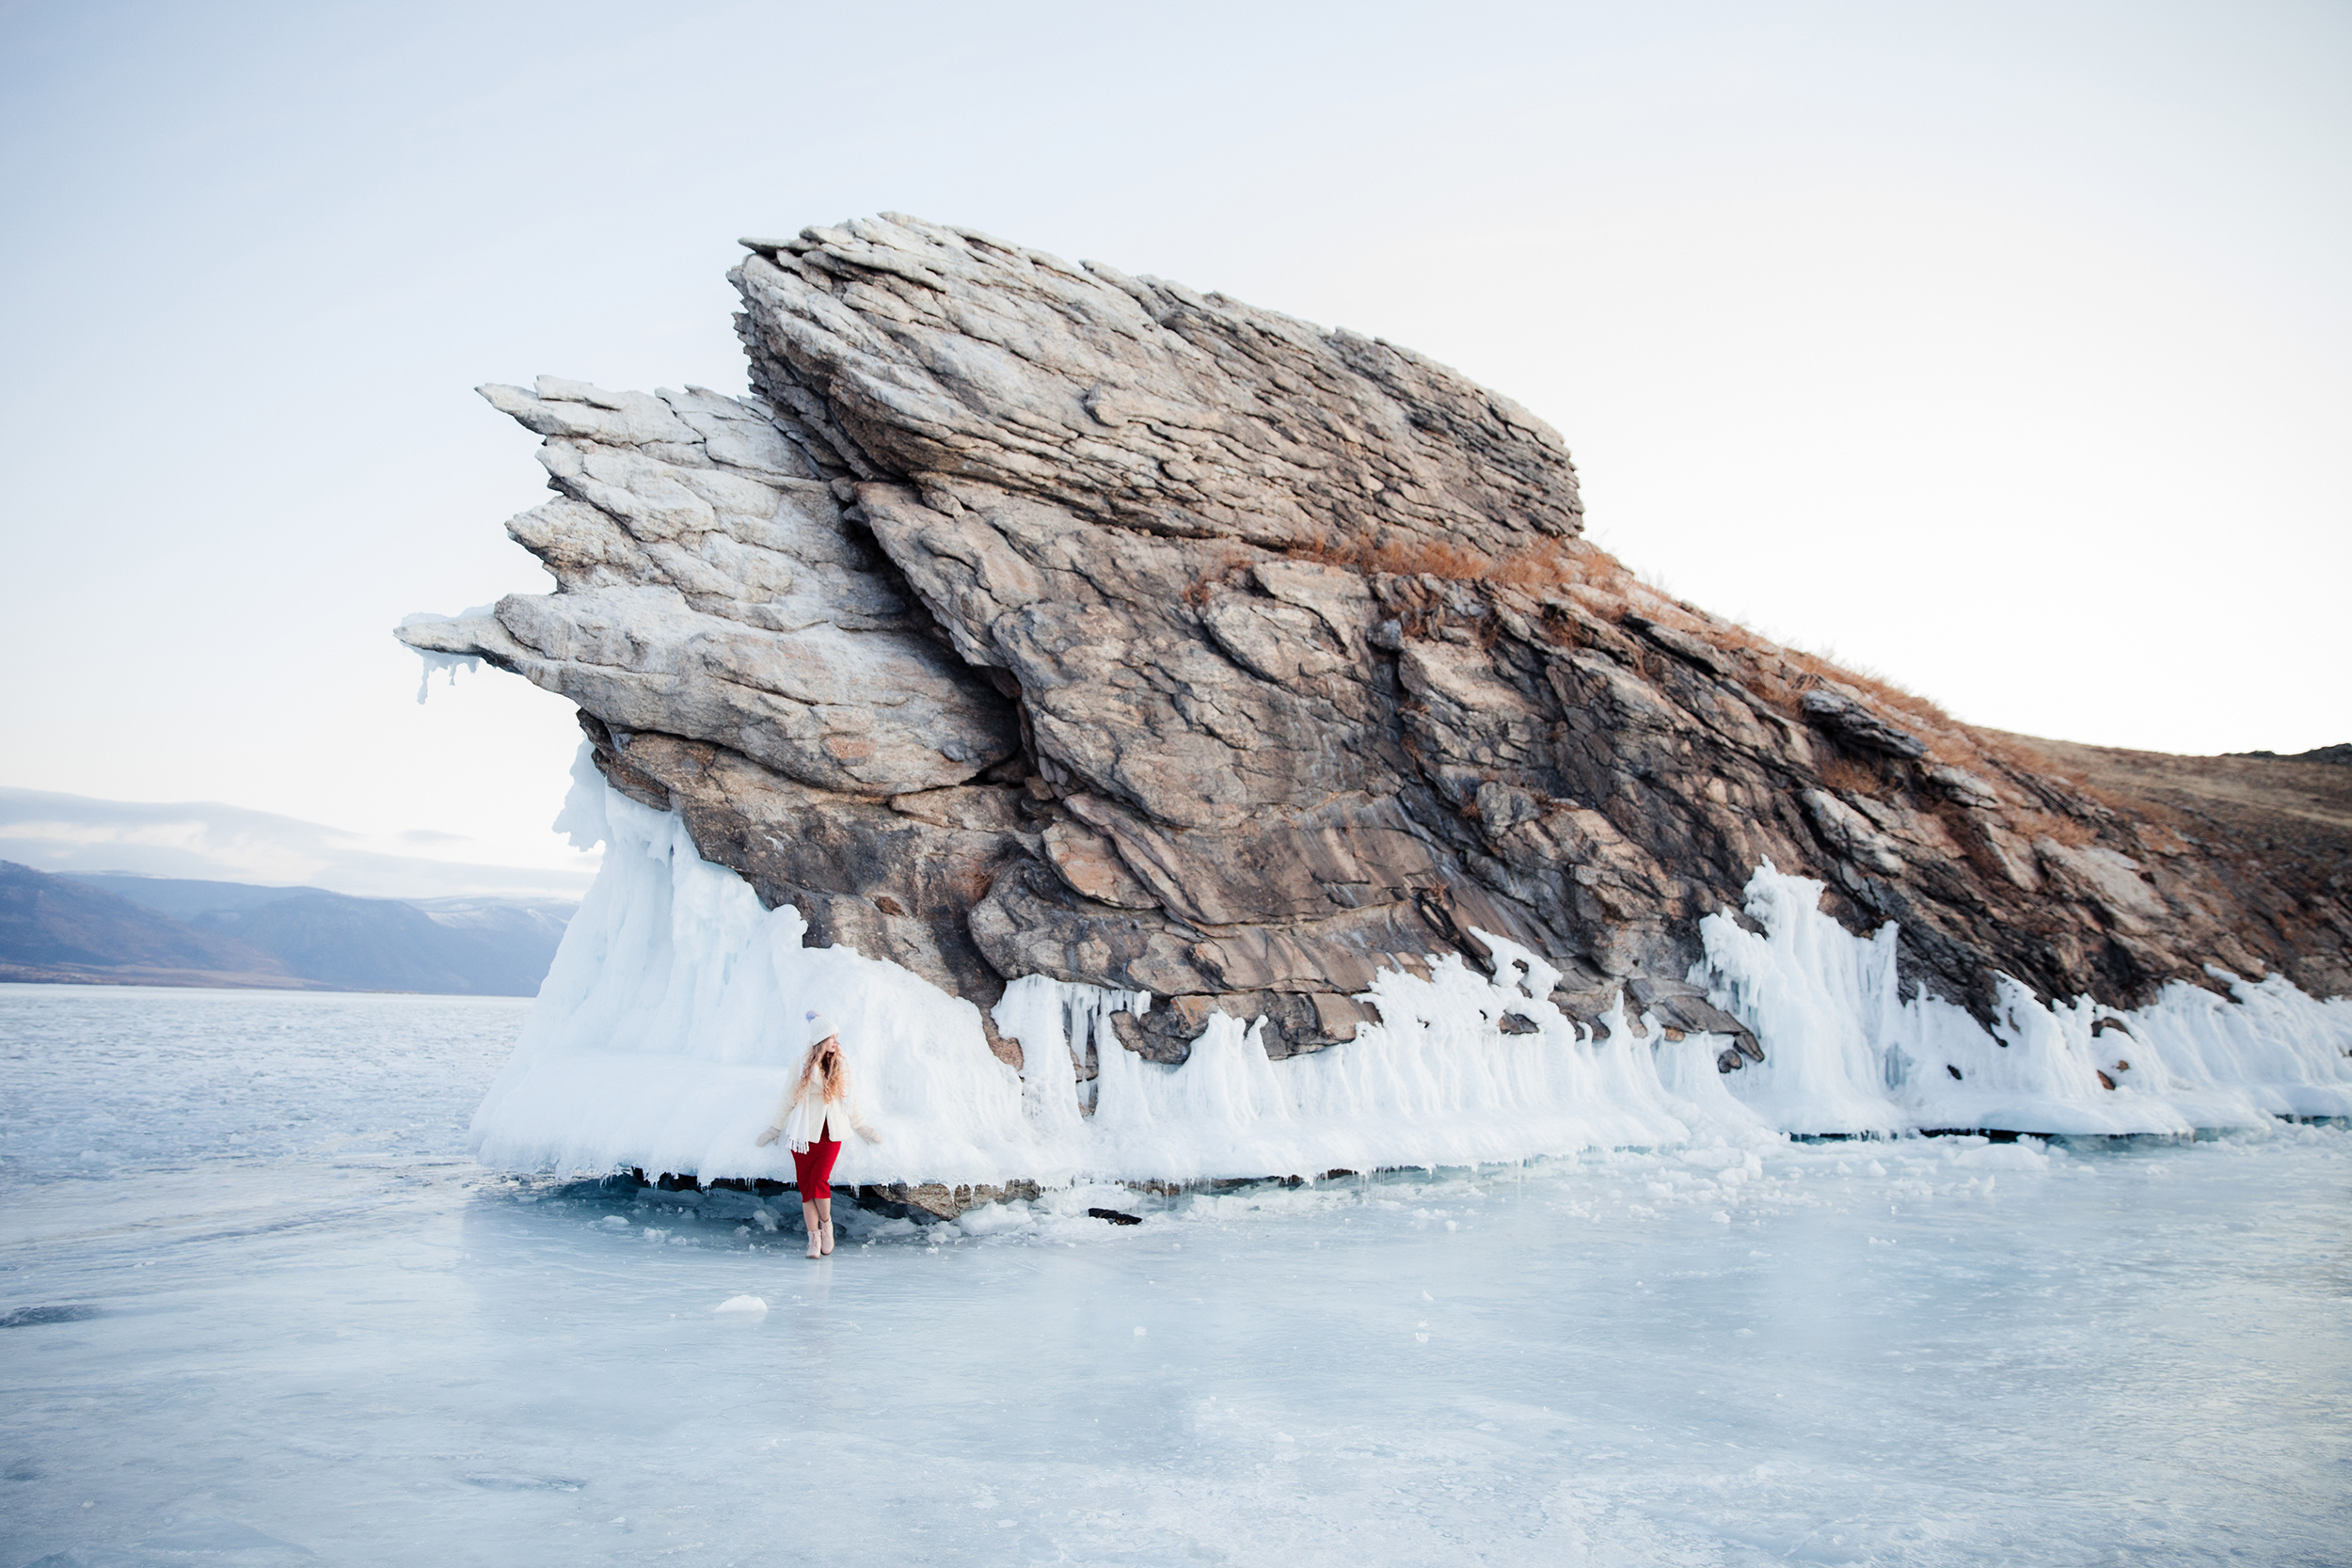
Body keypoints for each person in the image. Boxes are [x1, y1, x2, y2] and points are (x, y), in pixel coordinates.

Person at [755, 1011, 880, 1258]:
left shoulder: (840, 1063)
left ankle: (826, 1226)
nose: (836, 1041)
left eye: (837, 1036)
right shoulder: (801, 1064)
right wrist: (775, 1128)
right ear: (821, 1040)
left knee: (819, 1181)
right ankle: (813, 1239)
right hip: (803, 1135)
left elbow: (850, 1099)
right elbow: (788, 1097)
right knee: (805, 1187)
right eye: (832, 1037)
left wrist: (862, 1125)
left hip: (830, 1133)